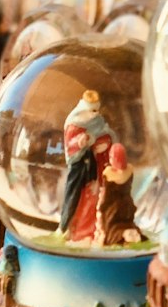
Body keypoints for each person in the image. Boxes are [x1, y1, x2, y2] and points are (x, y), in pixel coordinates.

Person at [59, 90, 112, 242]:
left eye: (97, 110)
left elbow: (106, 133)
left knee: (94, 199)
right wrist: (82, 141)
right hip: (80, 168)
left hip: (95, 166)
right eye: (92, 110)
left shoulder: (98, 119)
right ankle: (77, 231)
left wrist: (104, 142)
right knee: (79, 200)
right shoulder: (74, 122)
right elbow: (70, 145)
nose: (95, 114)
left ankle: (94, 229)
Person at [95, 142, 138, 246]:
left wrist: (101, 206)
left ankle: (113, 238)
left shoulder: (109, 174)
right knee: (126, 221)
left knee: (110, 224)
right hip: (127, 204)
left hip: (112, 207)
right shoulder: (129, 170)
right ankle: (127, 235)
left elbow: (106, 194)